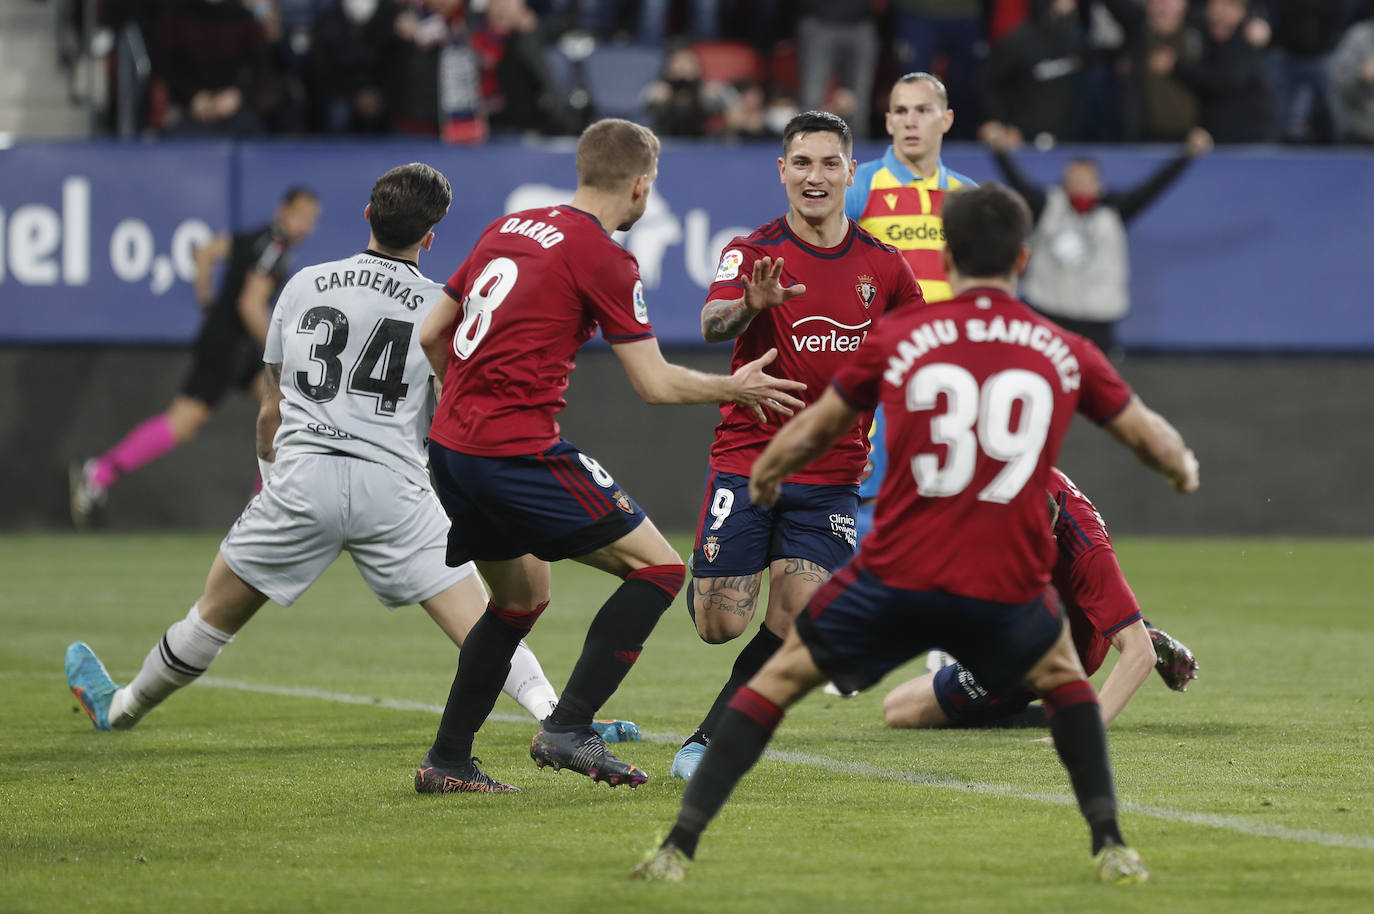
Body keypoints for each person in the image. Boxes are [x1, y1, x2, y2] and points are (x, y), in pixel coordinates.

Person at [632, 182, 1200, 885]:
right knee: (1063, 680)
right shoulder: (1062, 347)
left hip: (896, 575)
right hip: (1006, 585)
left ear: (950, 258)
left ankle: (678, 847)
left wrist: (769, 469)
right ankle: (1111, 843)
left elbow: (821, 423)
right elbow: (1148, 437)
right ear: (1022, 259)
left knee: (778, 677)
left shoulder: (902, 338)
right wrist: (1181, 467)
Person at [63, 163, 638, 746]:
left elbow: (270, 413)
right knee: (485, 620)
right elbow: (451, 415)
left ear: (368, 215)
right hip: (394, 487)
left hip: (303, 479)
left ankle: (122, 709)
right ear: (429, 238)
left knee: (211, 616)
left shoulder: (304, 284)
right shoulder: (442, 307)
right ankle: (556, 717)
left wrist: (272, 479)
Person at [413, 118, 807, 794]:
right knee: (656, 568)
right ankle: (568, 728)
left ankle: (447, 762)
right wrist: (733, 386)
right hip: (515, 450)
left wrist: (469, 407)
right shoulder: (604, 256)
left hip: (452, 448)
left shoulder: (508, 227)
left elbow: (431, 333)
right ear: (641, 184)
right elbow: (654, 383)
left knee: (518, 602)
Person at [669, 110, 927, 781]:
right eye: (802, 163)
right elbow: (710, 322)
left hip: (835, 474)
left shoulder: (886, 267)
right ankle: (720, 574)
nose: (815, 176)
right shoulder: (752, 253)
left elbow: (919, 355)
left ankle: (710, 739)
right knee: (720, 623)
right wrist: (752, 306)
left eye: (829, 163)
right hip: (748, 463)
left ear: (849, 171)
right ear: (782, 171)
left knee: (802, 617)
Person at [69, 186, 322, 529]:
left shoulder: (255, 238)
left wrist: (206, 302)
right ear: (283, 210)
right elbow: (250, 305)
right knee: (185, 421)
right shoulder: (274, 249)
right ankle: (99, 472)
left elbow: (204, 252)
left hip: (229, 342)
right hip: (231, 347)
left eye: (312, 219)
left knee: (283, 410)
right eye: (302, 215)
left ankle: (264, 505)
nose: (306, 225)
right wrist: (280, 352)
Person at [882, 466, 1200, 731]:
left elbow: (1140, 653)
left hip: (1060, 645)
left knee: (898, 710)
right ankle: (1120, 618)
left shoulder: (1087, 552)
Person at [845, 71, 975, 570]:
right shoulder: (860, 187)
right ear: (888, 121)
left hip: (950, 383)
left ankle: (947, 644)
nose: (910, 122)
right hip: (880, 383)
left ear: (946, 120)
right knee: (863, 511)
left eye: (922, 110)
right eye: (900, 111)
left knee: (953, 510)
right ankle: (859, 633)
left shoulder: (968, 198)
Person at [980, 120, 1213, 353]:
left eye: (1086, 178)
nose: (1080, 184)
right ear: (1064, 182)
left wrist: (1188, 154)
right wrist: (998, 149)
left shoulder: (1115, 211)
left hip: (1097, 318)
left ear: (1098, 183)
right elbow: (1017, 182)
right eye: (1074, 178)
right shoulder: (1047, 206)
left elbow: (1154, 187)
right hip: (1048, 310)